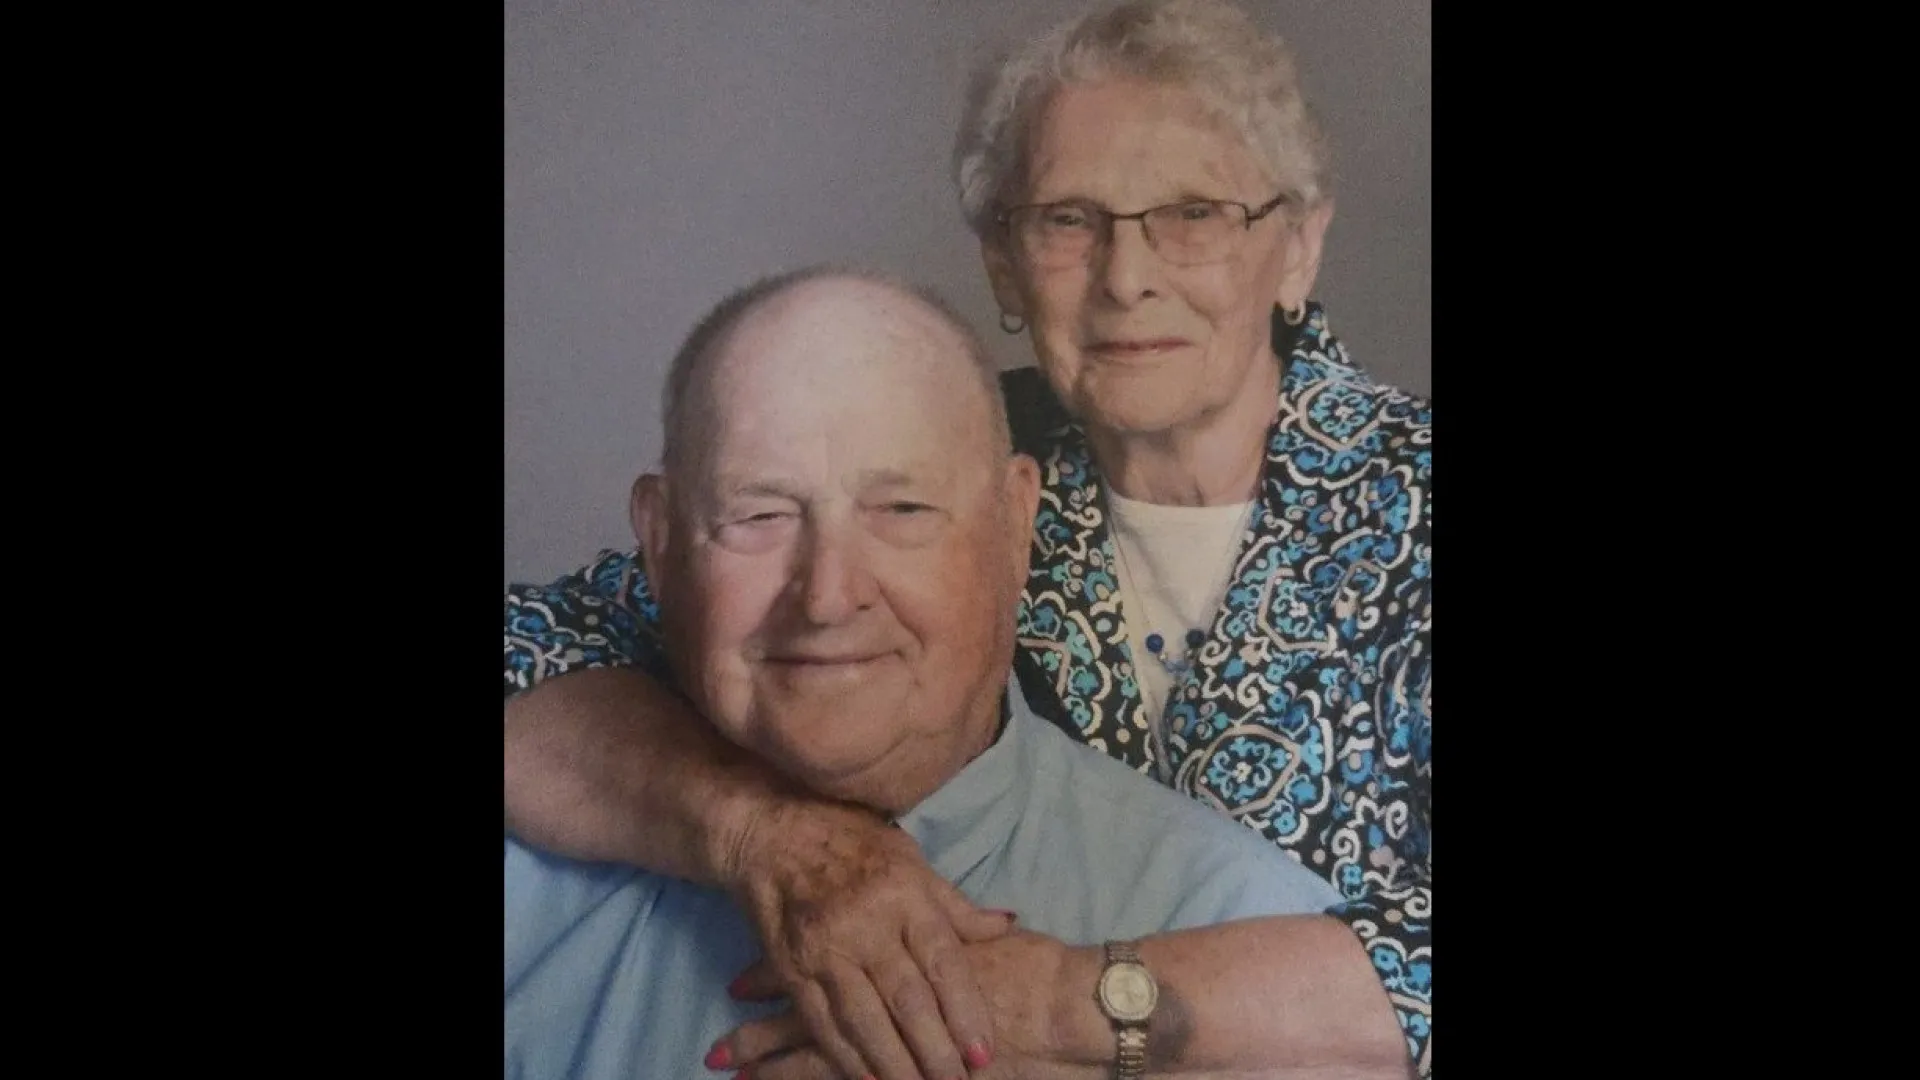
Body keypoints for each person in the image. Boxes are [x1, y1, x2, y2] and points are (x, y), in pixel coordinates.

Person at [504, 0, 1430, 1076]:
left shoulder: (1409, 501)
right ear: (1002, 263)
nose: (1127, 276)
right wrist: (774, 836)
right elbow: (547, 649)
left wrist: (1057, 1003)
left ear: (1299, 246)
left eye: (1194, 213)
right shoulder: (930, 456)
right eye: (1068, 219)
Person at [506, 267, 1349, 1080]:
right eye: (759, 513)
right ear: (658, 543)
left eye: (902, 509)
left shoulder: (1244, 926)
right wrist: (758, 834)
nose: (827, 597)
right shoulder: (529, 885)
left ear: (1016, 524)